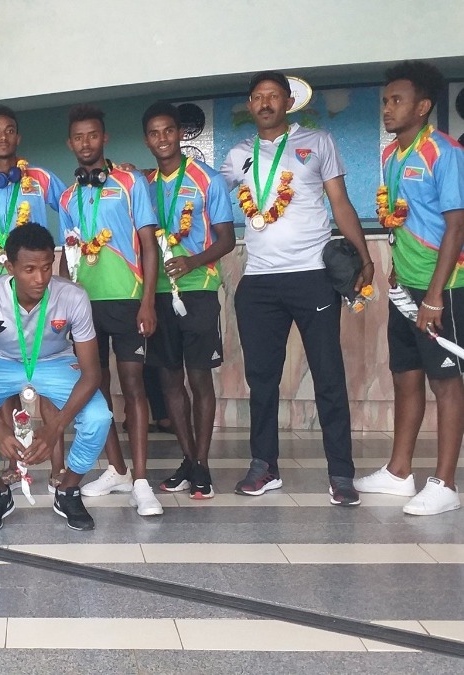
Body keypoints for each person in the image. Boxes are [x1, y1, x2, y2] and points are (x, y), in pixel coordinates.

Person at [219, 71, 372, 506]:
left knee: (328, 376)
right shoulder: (238, 154)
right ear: (250, 105)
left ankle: (341, 473)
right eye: (257, 97)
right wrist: (145, 174)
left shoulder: (318, 142)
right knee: (261, 380)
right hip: (259, 281)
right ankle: (264, 466)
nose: (265, 103)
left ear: (289, 102)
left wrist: (365, 257)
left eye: (273, 96)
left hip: (312, 275)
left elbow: (340, 202)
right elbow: (202, 188)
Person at [354, 61, 464, 515]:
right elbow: (402, 218)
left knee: (446, 382)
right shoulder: (391, 156)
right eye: (385, 101)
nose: (387, 108)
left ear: (423, 107)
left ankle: (445, 484)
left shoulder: (445, 151)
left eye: (397, 100)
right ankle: (399, 472)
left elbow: (456, 225)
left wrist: (435, 296)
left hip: (445, 288)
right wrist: (397, 272)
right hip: (407, 285)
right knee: (405, 375)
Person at [0, 223, 112, 532]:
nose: (40, 278)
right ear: (10, 267)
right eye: (29, 270)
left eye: (46, 267)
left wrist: (56, 427)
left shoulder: (74, 296)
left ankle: (68, 489)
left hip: (54, 361)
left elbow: (92, 373)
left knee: (99, 417)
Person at [58, 104, 163, 517]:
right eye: (78, 137)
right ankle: (117, 470)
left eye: (92, 135)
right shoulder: (67, 197)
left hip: (128, 299)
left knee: (134, 384)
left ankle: (141, 482)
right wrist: (64, 303)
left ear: (104, 138)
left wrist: (148, 301)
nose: (86, 143)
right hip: (85, 306)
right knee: (95, 388)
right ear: (70, 143)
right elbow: (67, 253)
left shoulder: (131, 182)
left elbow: (149, 246)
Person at [0, 105, 68, 487]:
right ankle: (12, 461)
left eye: (9, 130)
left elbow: (72, 204)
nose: (2, 137)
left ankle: (58, 466)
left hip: (39, 293)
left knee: (48, 376)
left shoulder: (41, 179)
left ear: (17, 137)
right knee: (1, 382)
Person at [142, 101, 236, 500]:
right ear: (147, 140)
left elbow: (228, 239)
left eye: (168, 130)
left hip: (198, 290)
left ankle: (202, 464)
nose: (162, 139)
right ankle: (188, 460)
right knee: (169, 380)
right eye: (154, 133)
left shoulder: (207, 180)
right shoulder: (143, 185)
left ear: (180, 134)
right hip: (157, 293)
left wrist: (192, 261)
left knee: (199, 378)